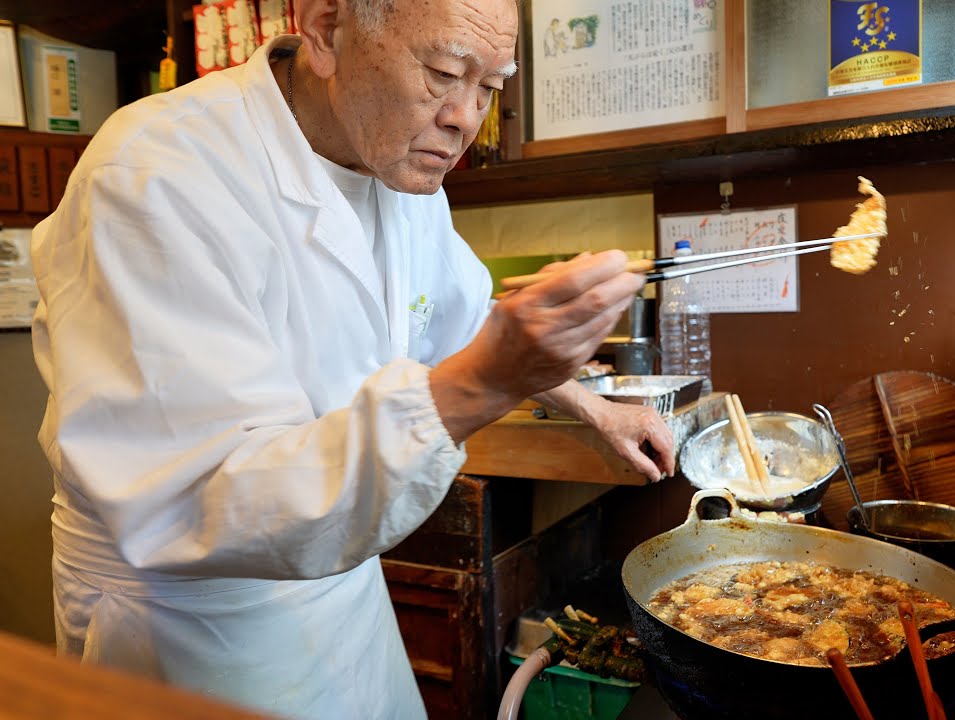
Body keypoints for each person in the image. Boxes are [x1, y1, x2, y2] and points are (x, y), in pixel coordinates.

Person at [30, 0, 675, 718]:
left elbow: (465, 318)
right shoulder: (158, 174)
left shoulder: (399, 169)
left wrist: (597, 407)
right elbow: (209, 493)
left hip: (342, 594)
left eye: (491, 86)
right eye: (442, 73)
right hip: (194, 625)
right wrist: (485, 382)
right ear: (327, 28)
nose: (467, 118)